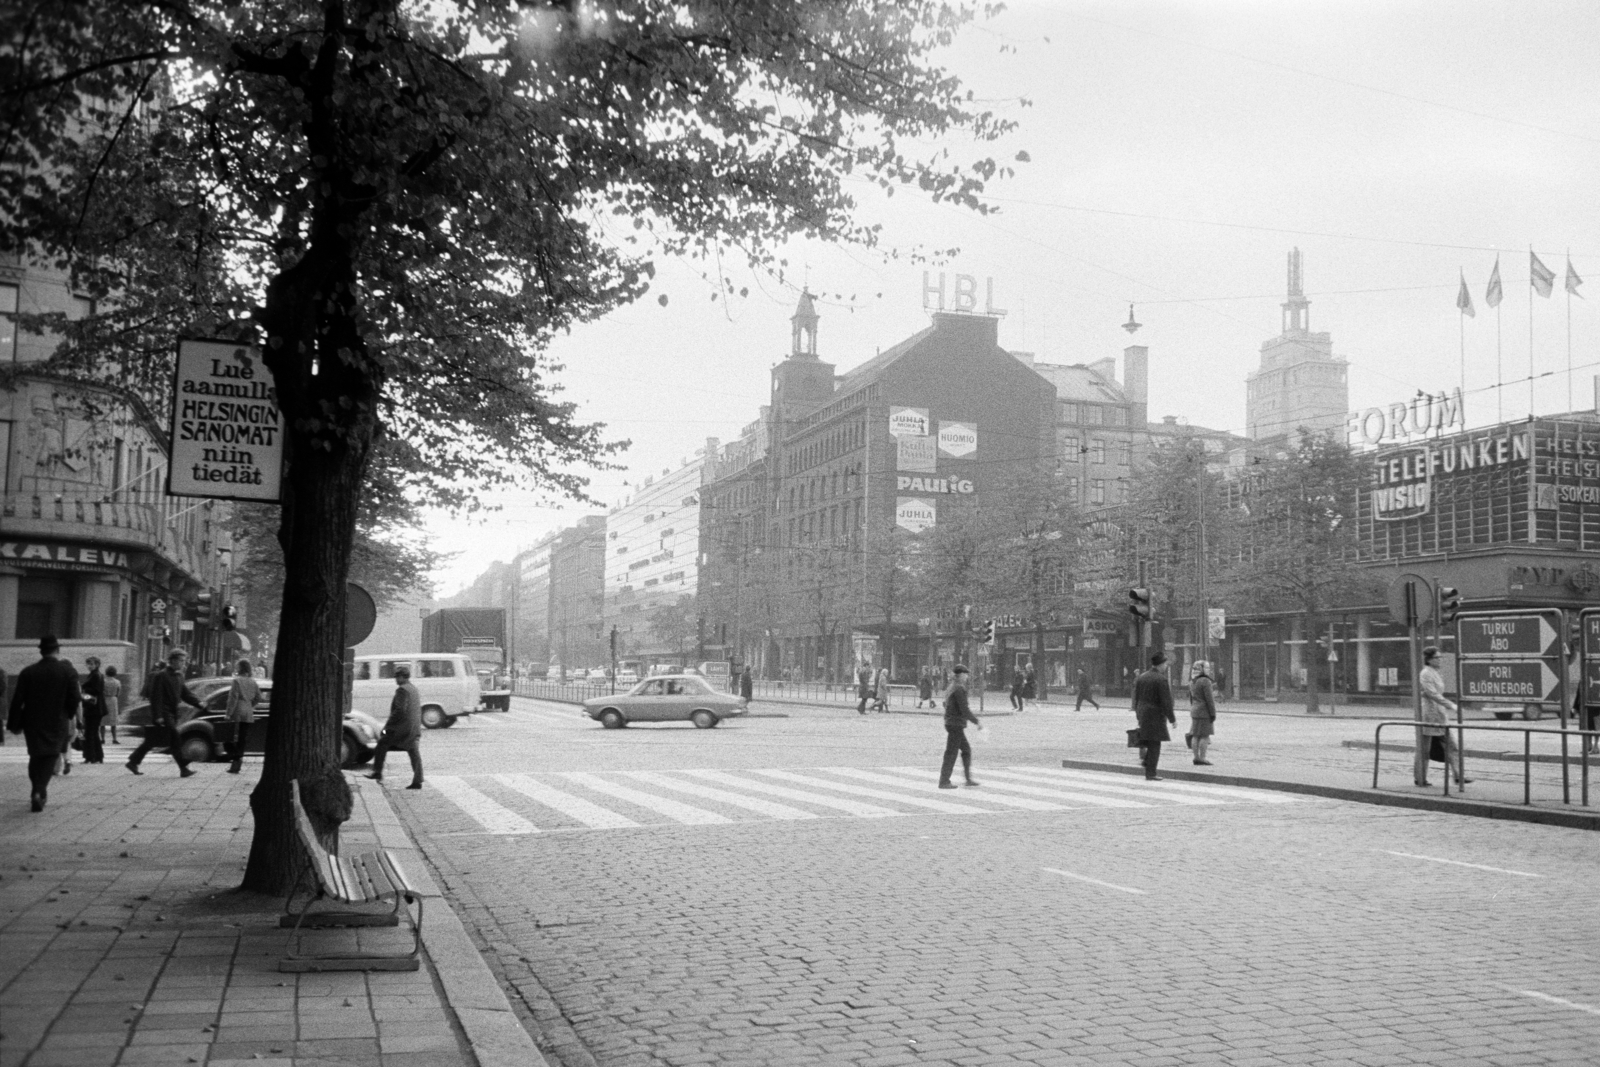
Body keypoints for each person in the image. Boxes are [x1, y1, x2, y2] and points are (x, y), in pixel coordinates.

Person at [8, 636, 83, 810]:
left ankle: (36, 789)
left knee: (35, 755)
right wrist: (69, 714)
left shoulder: (29, 672)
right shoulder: (67, 671)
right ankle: (39, 790)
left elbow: (17, 699)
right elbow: (75, 698)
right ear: (57, 650)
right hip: (57, 720)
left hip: (32, 720)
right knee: (51, 754)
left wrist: (14, 724)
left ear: (41, 651)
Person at [127, 649, 205, 777]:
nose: (183, 663)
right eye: (181, 660)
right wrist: (158, 716)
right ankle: (183, 767)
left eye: (184, 661)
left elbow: (185, 693)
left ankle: (133, 761)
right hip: (164, 712)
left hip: (172, 712)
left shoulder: (179, 676)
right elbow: (155, 696)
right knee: (175, 737)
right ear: (173, 660)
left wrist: (198, 703)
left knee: (153, 740)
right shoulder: (161, 675)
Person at [1417, 646, 1469, 788]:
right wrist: (1451, 706)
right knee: (1425, 749)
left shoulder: (1436, 673)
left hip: (1440, 715)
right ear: (1429, 659)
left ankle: (1459, 775)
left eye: (1440, 657)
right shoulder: (1425, 673)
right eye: (1437, 658)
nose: (1440, 660)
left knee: (1452, 746)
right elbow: (1432, 694)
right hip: (1429, 715)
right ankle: (1420, 778)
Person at [367, 664, 424, 789]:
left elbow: (399, 711)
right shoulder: (413, 688)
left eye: (398, 677)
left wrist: (386, 728)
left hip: (400, 729)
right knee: (413, 751)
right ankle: (418, 779)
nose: (396, 679)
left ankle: (377, 772)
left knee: (382, 742)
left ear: (404, 677)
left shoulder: (402, 690)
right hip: (413, 728)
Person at [1132, 652, 1177, 781]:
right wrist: (1172, 719)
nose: (1166, 666)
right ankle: (1151, 773)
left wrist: (1138, 714)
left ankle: (1146, 762)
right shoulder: (1161, 679)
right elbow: (1166, 701)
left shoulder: (1141, 677)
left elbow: (1136, 698)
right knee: (1155, 744)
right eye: (1165, 664)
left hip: (1142, 712)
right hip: (1155, 714)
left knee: (1148, 740)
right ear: (1161, 665)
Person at [938, 664, 981, 789]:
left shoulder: (951, 687)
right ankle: (944, 781)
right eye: (966, 674)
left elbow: (945, 703)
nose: (967, 677)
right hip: (955, 724)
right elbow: (964, 709)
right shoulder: (959, 689)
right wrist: (977, 722)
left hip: (952, 723)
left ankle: (968, 779)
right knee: (951, 753)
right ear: (961, 675)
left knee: (966, 750)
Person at [224, 658, 261, 774]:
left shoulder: (237, 681)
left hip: (237, 711)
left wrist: (228, 713)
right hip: (248, 711)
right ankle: (236, 764)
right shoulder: (253, 681)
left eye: (237, 666)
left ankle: (236, 757)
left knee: (228, 738)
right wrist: (250, 705)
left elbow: (233, 698)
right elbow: (258, 697)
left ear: (240, 668)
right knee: (242, 738)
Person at [1187, 660, 1218, 766]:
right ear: (1202, 669)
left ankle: (1196, 757)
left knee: (1195, 735)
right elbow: (1210, 699)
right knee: (1204, 735)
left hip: (1195, 711)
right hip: (1204, 712)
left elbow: (1191, 698)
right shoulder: (1205, 681)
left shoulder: (1192, 681)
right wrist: (1213, 713)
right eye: (1207, 668)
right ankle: (1202, 758)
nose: (1208, 670)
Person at [80, 656, 106, 764]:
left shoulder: (95, 675)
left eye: (91, 664)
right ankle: (97, 756)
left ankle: (91, 757)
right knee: (93, 733)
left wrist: (83, 689)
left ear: (97, 665)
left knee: (90, 733)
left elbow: (95, 690)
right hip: (96, 708)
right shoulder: (95, 674)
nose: (89, 666)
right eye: (88, 664)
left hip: (93, 707)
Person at [102, 665, 122, 746]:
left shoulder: (103, 681)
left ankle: (102, 739)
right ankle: (114, 739)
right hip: (113, 700)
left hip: (104, 700)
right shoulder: (117, 682)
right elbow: (118, 693)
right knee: (113, 721)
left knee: (102, 722)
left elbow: (101, 691)